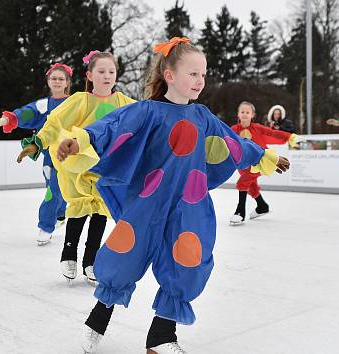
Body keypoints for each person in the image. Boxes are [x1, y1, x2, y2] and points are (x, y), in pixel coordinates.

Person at [50, 37, 290, 354]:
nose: (200, 81)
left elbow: (233, 143)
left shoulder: (203, 116)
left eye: (203, 74)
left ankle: (161, 336)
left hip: (188, 204)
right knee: (124, 258)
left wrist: (263, 157)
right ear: (170, 75)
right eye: (193, 73)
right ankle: (96, 324)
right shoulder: (147, 111)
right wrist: (81, 141)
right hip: (148, 202)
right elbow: (111, 128)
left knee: (189, 261)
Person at [17, 52, 136, 284]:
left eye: (111, 72)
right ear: (90, 75)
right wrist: (37, 143)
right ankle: (68, 253)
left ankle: (91, 261)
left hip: (107, 167)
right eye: (101, 71)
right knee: (80, 208)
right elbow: (55, 122)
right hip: (80, 165)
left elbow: (146, 120)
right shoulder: (80, 100)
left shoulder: (124, 103)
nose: (107, 76)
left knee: (100, 212)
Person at [0, 63, 72, 245]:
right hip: (50, 155)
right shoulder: (44, 104)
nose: (57, 81)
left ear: (67, 82)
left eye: (61, 78)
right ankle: (53, 219)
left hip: (71, 153)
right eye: (53, 78)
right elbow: (27, 113)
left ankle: (53, 220)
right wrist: (7, 119)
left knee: (59, 189)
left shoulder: (76, 102)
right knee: (53, 187)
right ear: (48, 81)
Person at [229, 101, 301, 225]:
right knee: (251, 186)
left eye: (247, 112)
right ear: (238, 114)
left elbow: (273, 133)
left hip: (259, 162)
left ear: (252, 115)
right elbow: (224, 139)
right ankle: (262, 206)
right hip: (243, 164)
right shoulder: (233, 130)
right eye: (242, 112)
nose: (245, 114)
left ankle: (240, 212)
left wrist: (289, 137)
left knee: (243, 182)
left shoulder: (257, 128)